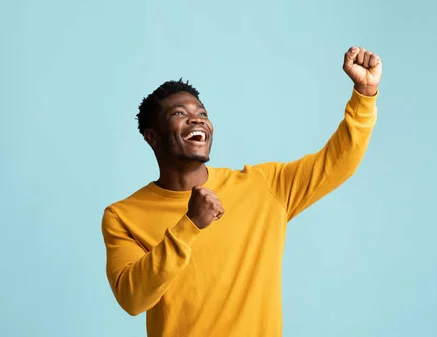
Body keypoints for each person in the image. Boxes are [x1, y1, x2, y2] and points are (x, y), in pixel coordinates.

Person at [101, 46, 382, 337]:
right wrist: (189, 226)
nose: (197, 119)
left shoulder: (264, 185)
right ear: (152, 137)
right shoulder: (123, 216)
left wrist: (365, 93)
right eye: (180, 113)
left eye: (202, 113)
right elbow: (133, 299)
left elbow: (338, 162)